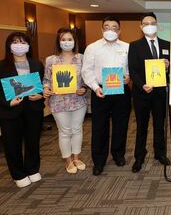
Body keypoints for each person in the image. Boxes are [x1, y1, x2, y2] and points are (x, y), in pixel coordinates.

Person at [82, 16, 131, 176]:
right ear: (102, 29)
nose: (111, 30)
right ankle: (99, 160)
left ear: (120, 30)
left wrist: (128, 77)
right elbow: (86, 71)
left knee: (121, 125)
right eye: (107, 27)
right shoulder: (92, 48)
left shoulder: (127, 47)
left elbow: (131, 68)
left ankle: (118, 155)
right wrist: (95, 88)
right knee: (99, 127)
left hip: (121, 91)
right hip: (100, 92)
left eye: (114, 27)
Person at [0, 32, 44, 188]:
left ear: (28, 45)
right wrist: (8, 103)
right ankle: (18, 173)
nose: (20, 45)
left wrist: (40, 95)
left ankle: (32, 169)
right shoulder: (2, 66)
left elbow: (41, 86)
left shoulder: (36, 64)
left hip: (33, 109)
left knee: (33, 140)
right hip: (10, 111)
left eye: (23, 42)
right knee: (12, 143)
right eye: (16, 42)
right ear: (9, 46)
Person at [128, 12, 171, 173]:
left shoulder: (166, 44)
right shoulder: (134, 45)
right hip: (142, 94)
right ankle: (139, 157)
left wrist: (168, 65)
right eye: (146, 23)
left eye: (152, 23)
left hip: (160, 94)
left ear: (157, 25)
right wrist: (142, 85)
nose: (149, 25)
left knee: (159, 125)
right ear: (141, 27)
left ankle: (159, 153)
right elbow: (133, 70)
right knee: (141, 127)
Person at [42, 28, 88, 174]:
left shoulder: (82, 58)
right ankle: (68, 160)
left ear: (75, 42)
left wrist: (84, 88)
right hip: (58, 101)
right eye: (63, 39)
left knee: (77, 129)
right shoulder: (51, 60)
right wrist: (46, 89)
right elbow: (46, 80)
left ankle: (76, 157)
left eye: (70, 39)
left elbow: (87, 78)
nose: (66, 42)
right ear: (58, 41)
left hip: (78, 101)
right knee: (64, 131)